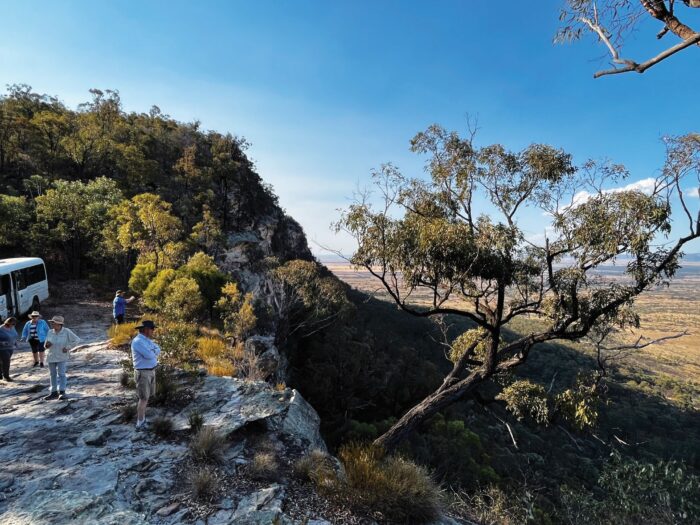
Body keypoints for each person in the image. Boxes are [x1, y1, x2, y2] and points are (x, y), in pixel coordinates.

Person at [131, 320, 161, 430]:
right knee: (143, 398)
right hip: (143, 372)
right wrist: (153, 352)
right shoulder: (138, 341)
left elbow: (158, 349)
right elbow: (149, 355)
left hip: (150, 371)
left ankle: (143, 419)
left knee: (147, 397)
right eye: (152, 329)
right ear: (146, 329)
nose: (153, 331)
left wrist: (153, 351)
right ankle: (140, 423)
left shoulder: (146, 340)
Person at [43, 315, 81, 401]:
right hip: (51, 355)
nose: (52, 324)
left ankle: (62, 392)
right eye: (52, 323)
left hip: (62, 356)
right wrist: (46, 345)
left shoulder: (66, 331)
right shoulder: (50, 332)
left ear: (59, 324)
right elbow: (45, 345)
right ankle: (53, 392)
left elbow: (77, 340)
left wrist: (68, 347)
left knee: (61, 374)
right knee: (52, 374)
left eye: (54, 323)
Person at [0, 317, 19, 382]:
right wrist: (2, 343)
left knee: (2, 362)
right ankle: (6, 376)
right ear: (8, 323)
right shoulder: (1, 329)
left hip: (10, 348)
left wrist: (15, 343)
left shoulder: (12, 327)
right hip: (2, 348)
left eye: (14, 324)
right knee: (6, 362)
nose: (14, 325)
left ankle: (0, 374)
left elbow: (15, 335)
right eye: (13, 324)